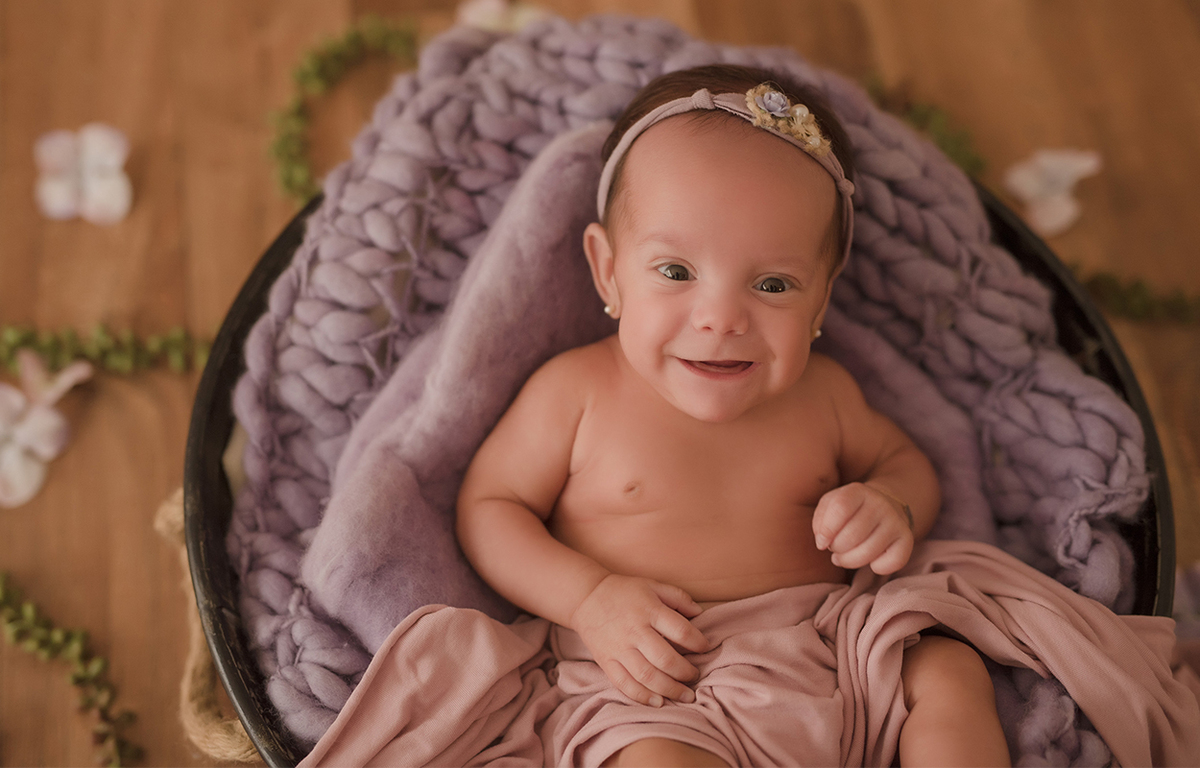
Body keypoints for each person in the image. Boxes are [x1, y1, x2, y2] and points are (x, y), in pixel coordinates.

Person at [456, 64, 1010, 767]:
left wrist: (889, 505)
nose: (720, 319)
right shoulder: (576, 392)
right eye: (676, 272)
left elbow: (904, 464)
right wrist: (590, 598)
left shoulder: (827, 395)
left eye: (773, 284)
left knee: (947, 671)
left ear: (821, 302)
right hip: (660, 686)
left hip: (831, 657)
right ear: (607, 271)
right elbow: (489, 507)